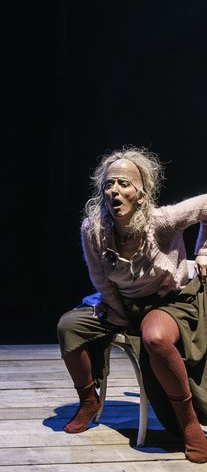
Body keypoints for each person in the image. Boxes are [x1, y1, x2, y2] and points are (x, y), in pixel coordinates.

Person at [57, 145, 207, 464]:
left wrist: (204, 253)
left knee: (155, 337)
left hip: (169, 301)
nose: (114, 190)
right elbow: (101, 281)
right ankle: (89, 400)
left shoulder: (162, 222)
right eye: (109, 184)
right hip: (123, 304)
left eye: (124, 184)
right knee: (69, 326)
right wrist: (120, 314)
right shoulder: (94, 230)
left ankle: (189, 423)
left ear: (140, 194)